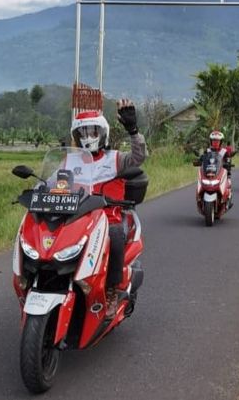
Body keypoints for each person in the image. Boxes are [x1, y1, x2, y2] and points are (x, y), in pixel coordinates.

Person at [69, 99, 146, 318]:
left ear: (103, 133)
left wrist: (133, 131)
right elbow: (53, 182)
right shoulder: (70, 161)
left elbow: (139, 158)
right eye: (82, 133)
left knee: (115, 236)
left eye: (93, 131)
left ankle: (112, 290)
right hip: (76, 217)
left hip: (109, 218)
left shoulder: (116, 159)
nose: (87, 137)